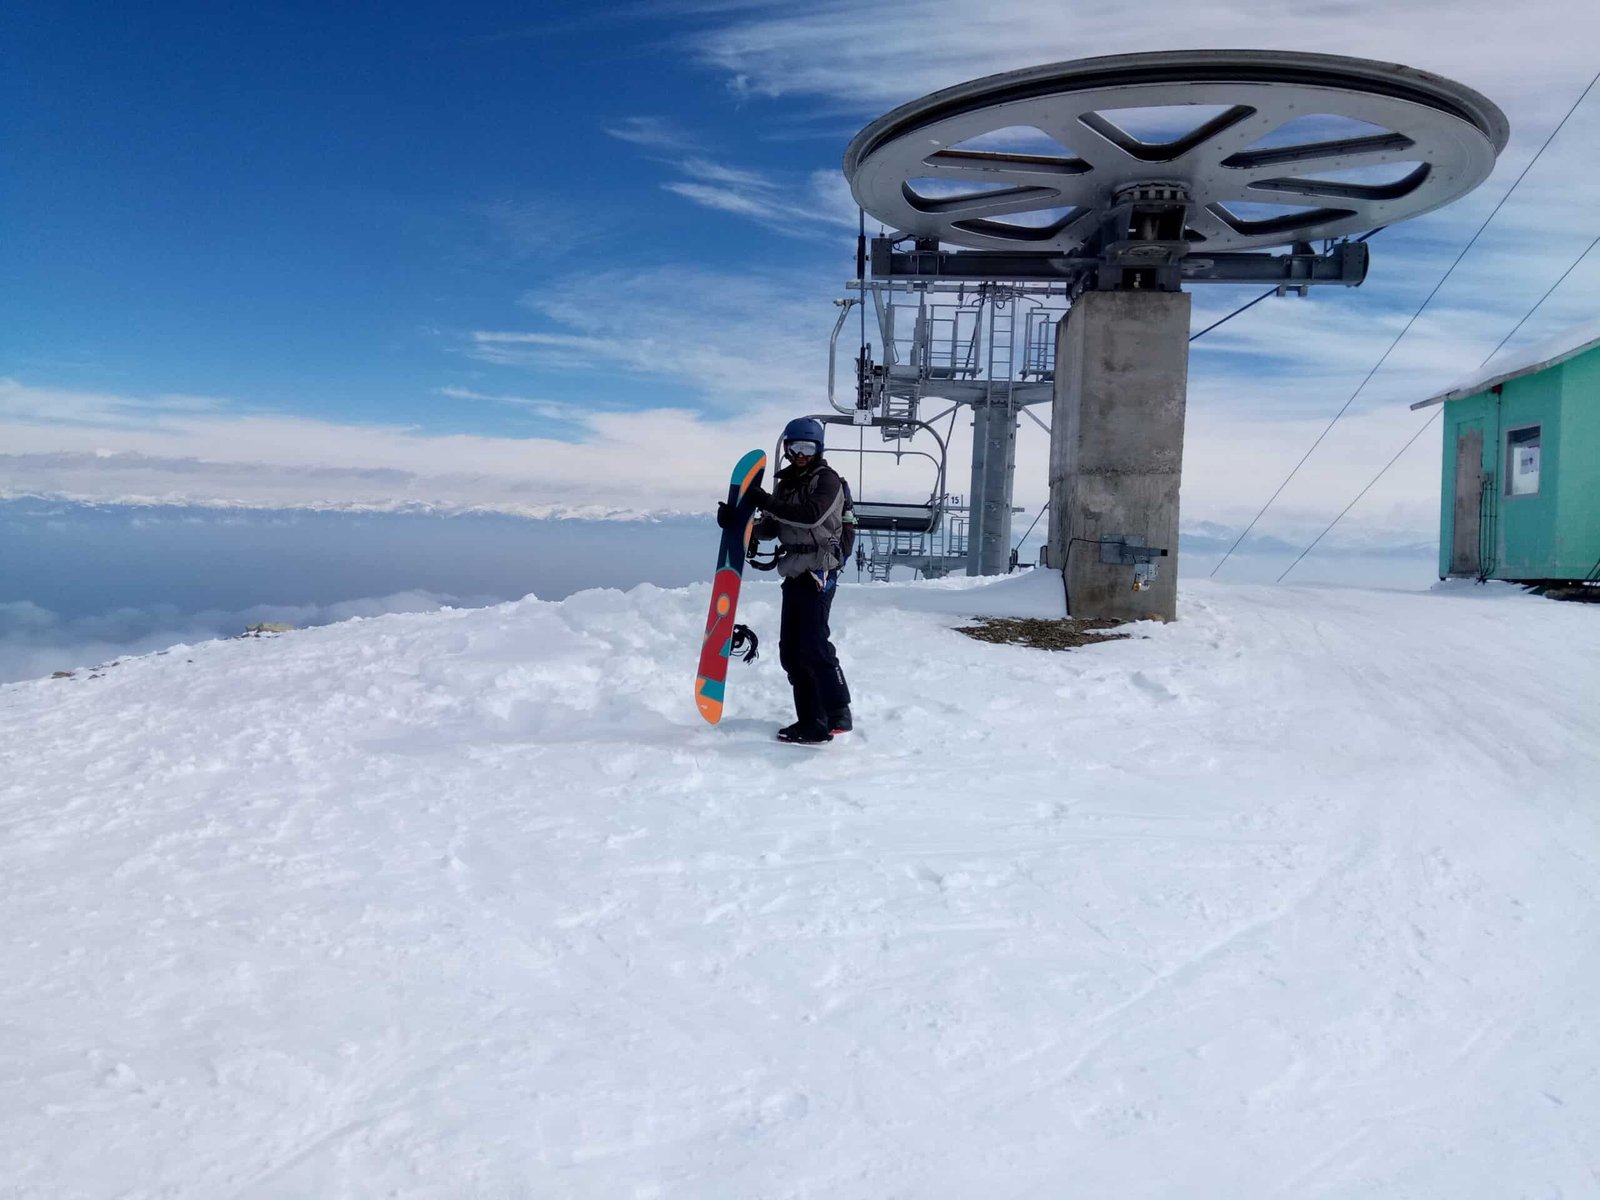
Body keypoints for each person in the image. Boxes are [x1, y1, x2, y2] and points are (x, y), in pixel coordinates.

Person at [717, 417, 853, 744]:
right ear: (788, 449)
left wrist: (762, 499)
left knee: (814, 643)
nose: (802, 454)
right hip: (793, 570)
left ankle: (838, 711)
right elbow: (772, 527)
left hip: (819, 570)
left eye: (809, 448)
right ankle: (811, 722)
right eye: (796, 448)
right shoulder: (787, 484)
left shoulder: (827, 481)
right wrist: (736, 521)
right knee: (791, 651)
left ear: (819, 449)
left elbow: (811, 516)